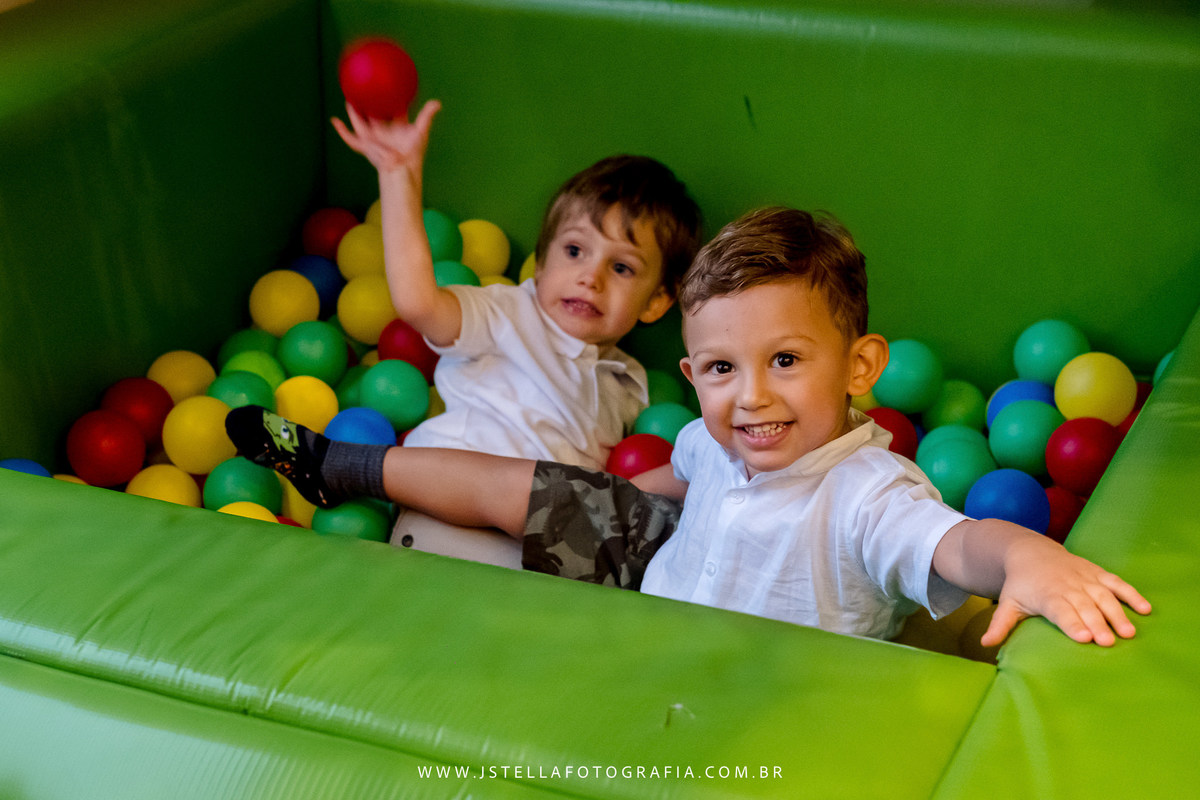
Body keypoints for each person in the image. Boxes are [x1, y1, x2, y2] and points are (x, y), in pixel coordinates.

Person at [227, 207, 1151, 648]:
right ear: (692, 374)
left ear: (860, 367)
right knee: (531, 489)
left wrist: (1026, 558)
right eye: (720, 370)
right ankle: (343, 466)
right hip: (659, 559)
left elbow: (957, 542)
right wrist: (604, 501)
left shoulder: (868, 497)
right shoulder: (720, 436)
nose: (749, 398)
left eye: (785, 361)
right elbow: (683, 472)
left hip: (709, 655)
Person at [329, 100, 701, 561]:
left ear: (657, 301)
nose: (591, 277)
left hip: (544, 553)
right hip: (445, 517)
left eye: (621, 267)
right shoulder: (506, 312)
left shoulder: (629, 383)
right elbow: (417, 302)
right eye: (574, 251)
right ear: (541, 263)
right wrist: (398, 175)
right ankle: (342, 466)